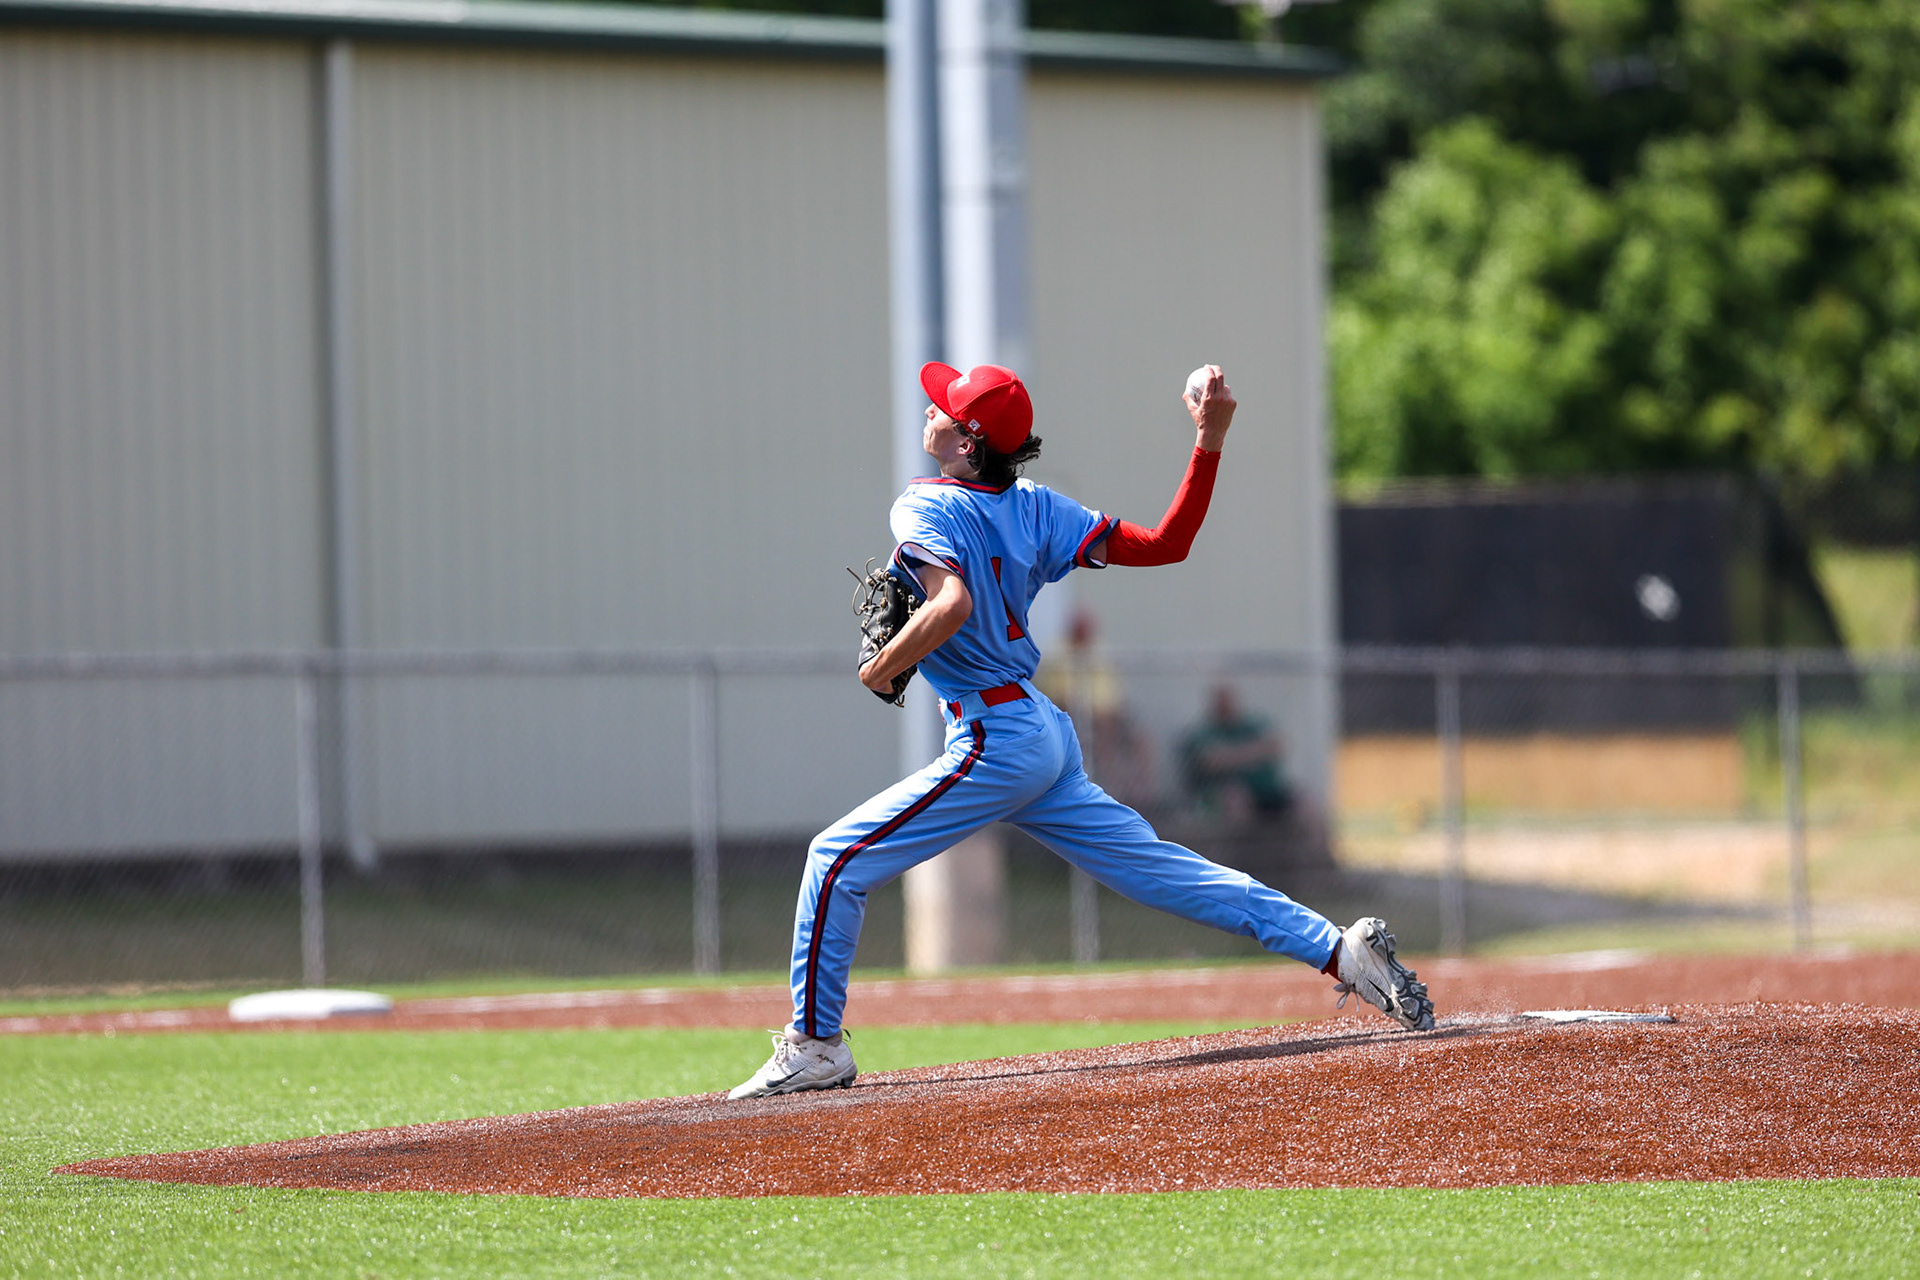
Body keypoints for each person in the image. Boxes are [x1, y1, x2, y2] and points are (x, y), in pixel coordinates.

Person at [729, 362, 1433, 1100]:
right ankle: (1341, 953)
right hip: (1040, 732)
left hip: (995, 739)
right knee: (1166, 874)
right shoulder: (1036, 507)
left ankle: (815, 1046)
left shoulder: (924, 506)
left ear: (968, 442)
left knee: (835, 860)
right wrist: (1210, 441)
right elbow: (1166, 542)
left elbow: (952, 605)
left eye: (945, 407)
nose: (931, 410)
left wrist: (881, 668)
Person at [1182, 684, 1294, 818]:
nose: (1226, 706)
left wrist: (1233, 756)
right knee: (1235, 799)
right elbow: (1211, 761)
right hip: (1220, 795)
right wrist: (1256, 753)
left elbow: (1277, 745)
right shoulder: (1204, 732)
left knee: (1306, 805)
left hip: (1266, 792)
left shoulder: (1251, 725)